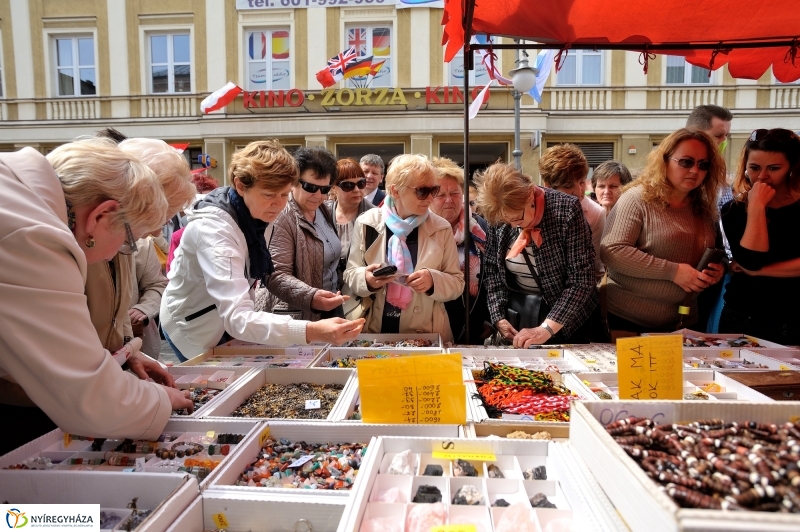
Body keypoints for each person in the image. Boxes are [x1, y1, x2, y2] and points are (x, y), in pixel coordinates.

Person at [0, 139, 193, 455]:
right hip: (23, 406)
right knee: (26, 505)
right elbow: (89, 397)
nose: (121, 252)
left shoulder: (23, 199)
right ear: (102, 215)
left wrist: (127, 353)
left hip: (41, 397)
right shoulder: (35, 238)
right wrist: (160, 401)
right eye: (129, 241)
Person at [161, 140, 364, 361]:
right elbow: (238, 316)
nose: (278, 204)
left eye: (284, 195)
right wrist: (311, 330)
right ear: (240, 186)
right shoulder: (215, 231)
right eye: (269, 194)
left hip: (224, 322)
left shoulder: (257, 214)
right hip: (193, 328)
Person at [600, 128, 726, 333]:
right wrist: (673, 272)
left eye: (703, 165)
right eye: (686, 162)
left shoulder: (704, 208)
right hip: (625, 322)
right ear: (664, 161)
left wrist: (716, 270)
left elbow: (714, 254)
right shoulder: (637, 198)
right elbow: (612, 251)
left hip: (683, 324)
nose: (695, 170)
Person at [85, 137, 197, 353]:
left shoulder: (125, 239)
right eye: (155, 220)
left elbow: (118, 316)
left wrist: (130, 353)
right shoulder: (85, 242)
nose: (155, 232)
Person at [343, 154, 464, 342]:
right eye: (422, 191)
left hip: (425, 333)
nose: (430, 198)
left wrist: (433, 280)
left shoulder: (441, 227)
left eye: (434, 190)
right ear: (395, 190)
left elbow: (457, 283)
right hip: (375, 331)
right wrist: (367, 279)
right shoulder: (367, 222)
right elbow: (350, 274)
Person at [477, 163, 598, 348]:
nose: (513, 226)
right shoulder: (501, 216)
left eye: (517, 218)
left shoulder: (566, 210)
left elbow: (581, 279)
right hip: (522, 315)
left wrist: (547, 328)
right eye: (506, 221)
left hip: (570, 320)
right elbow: (493, 270)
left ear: (529, 196)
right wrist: (499, 316)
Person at [719, 128, 800, 344]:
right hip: (742, 316)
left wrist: (757, 272)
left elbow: (751, 268)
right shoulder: (732, 210)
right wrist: (756, 205)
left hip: (792, 319)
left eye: (774, 168)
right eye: (754, 168)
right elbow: (751, 260)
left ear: (792, 167)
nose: (762, 176)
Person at [265, 147, 347, 320]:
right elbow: (276, 274)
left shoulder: (325, 209)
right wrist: (312, 297)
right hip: (295, 316)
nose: (318, 195)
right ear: (293, 182)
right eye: (310, 187)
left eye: (324, 189)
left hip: (329, 307)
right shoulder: (282, 216)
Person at [430, 157, 491, 344]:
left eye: (455, 193)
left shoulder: (480, 228)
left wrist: (491, 318)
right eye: (441, 195)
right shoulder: (421, 230)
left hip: (474, 326)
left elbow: (494, 274)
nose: (449, 200)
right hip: (431, 325)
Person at [539, 144, 606, 282]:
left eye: (582, 182)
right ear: (548, 186)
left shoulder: (596, 213)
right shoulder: (533, 210)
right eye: (568, 185)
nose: (578, 191)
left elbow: (596, 267)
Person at [325, 158, 377, 290]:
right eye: (348, 185)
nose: (356, 189)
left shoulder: (375, 216)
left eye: (361, 183)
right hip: (324, 291)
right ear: (333, 187)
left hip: (360, 295)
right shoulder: (321, 213)